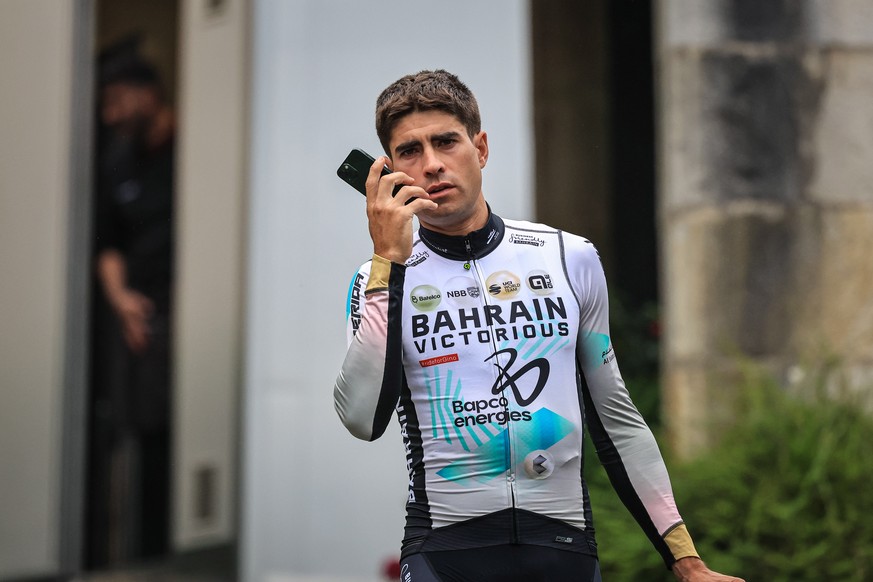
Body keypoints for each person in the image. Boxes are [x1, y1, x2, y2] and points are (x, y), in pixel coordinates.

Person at [333, 70, 743, 582]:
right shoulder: (377, 279)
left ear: (480, 148)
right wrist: (387, 261)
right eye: (410, 151)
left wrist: (686, 559)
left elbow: (617, 421)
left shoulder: (568, 258)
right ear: (389, 172)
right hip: (445, 552)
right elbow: (361, 418)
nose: (433, 163)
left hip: (563, 547)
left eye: (446, 141)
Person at [90, 53, 175, 562]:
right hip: (140, 318)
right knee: (143, 434)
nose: (111, 115)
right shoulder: (117, 161)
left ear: (148, 93)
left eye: (118, 101)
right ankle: (145, 558)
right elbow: (107, 245)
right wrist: (121, 302)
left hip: (189, 312)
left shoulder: (193, 150)